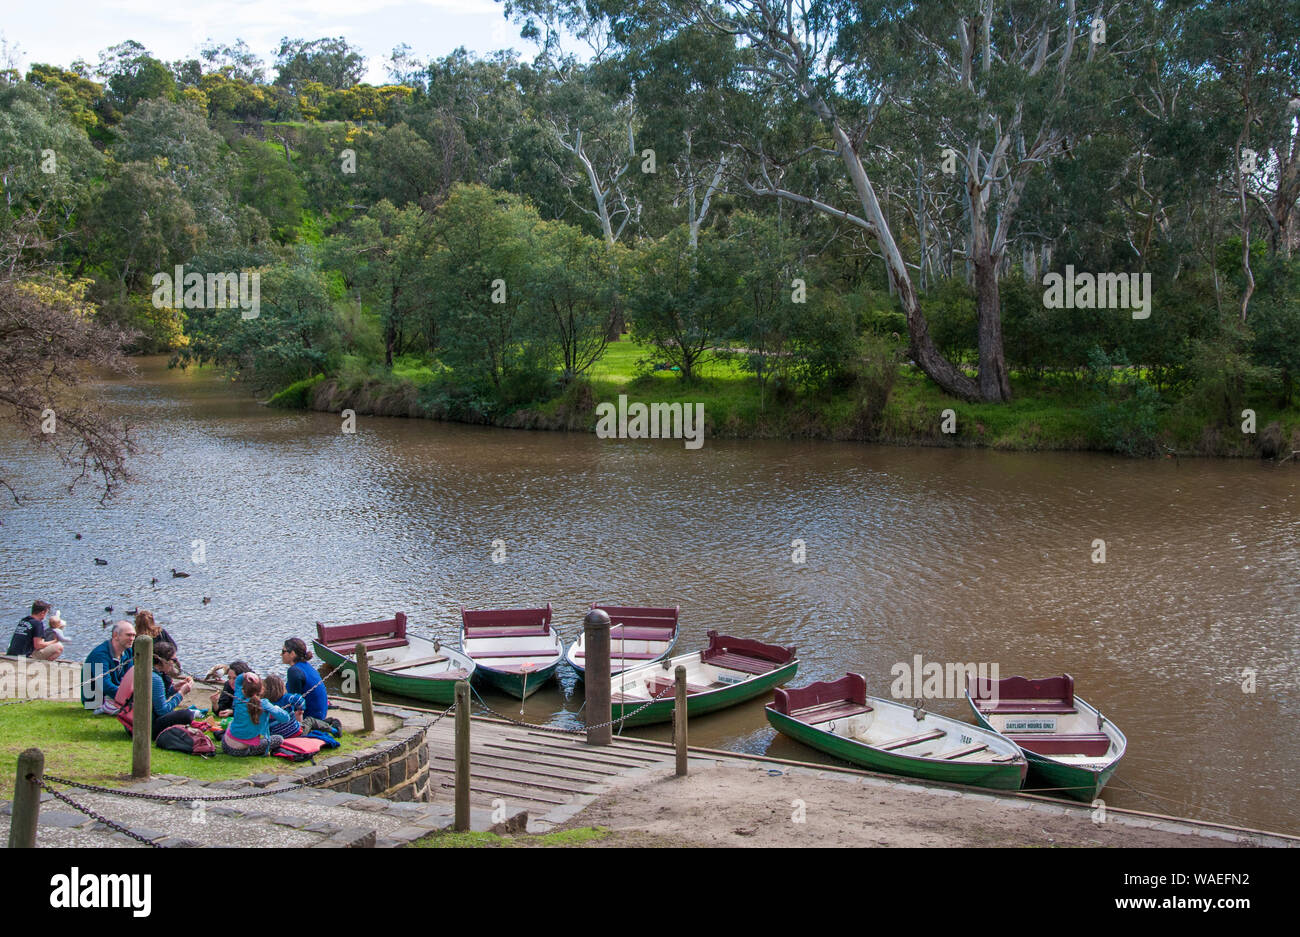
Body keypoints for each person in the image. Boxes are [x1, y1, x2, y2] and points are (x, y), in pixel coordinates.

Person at [221, 673, 288, 757]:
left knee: (232, 723)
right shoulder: (265, 704)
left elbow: (238, 682)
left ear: (243, 690)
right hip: (241, 751)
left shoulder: (238, 698)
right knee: (279, 739)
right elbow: (285, 718)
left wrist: (246, 675)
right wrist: (276, 708)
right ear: (262, 690)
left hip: (225, 745)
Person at [82, 620, 135, 709]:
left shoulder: (128, 651)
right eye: (128, 635)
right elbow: (104, 685)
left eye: (134, 635)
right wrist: (130, 697)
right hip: (95, 700)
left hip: (114, 694)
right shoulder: (100, 654)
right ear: (115, 635)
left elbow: (130, 678)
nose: (132, 638)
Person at [148, 642, 195, 739]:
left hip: (133, 724)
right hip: (147, 727)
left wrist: (173, 689)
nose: (174, 663)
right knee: (187, 714)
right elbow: (163, 711)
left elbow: (155, 700)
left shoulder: (149, 672)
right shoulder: (156, 679)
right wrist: (181, 693)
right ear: (163, 660)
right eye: (173, 660)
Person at [282, 638, 333, 727]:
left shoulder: (294, 671)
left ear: (292, 654)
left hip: (310, 718)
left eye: (283, 651)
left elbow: (295, 702)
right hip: (321, 714)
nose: (281, 654)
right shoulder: (306, 666)